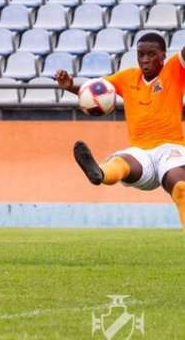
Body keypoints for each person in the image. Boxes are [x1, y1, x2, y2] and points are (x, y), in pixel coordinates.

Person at [58, 32, 185, 230]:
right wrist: (70, 87)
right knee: (122, 162)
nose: (145, 60)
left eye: (151, 54)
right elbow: (97, 91)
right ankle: (99, 173)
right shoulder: (127, 77)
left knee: (180, 187)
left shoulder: (174, 69)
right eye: (141, 55)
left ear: (163, 55)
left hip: (170, 148)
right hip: (141, 151)